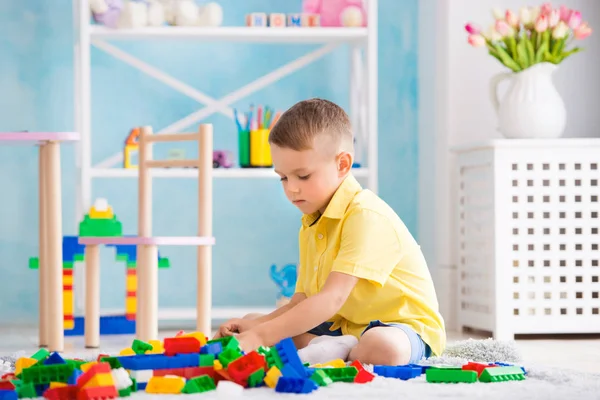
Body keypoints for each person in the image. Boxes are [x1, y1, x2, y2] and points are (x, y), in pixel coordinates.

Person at [214, 98, 446, 366]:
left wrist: (260, 337)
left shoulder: (366, 216)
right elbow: (300, 302)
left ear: (343, 165)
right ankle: (335, 348)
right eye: (283, 177)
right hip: (344, 326)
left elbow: (332, 298)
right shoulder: (312, 221)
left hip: (401, 328)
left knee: (383, 348)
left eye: (303, 176)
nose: (292, 189)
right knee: (252, 321)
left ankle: (337, 349)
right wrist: (254, 329)